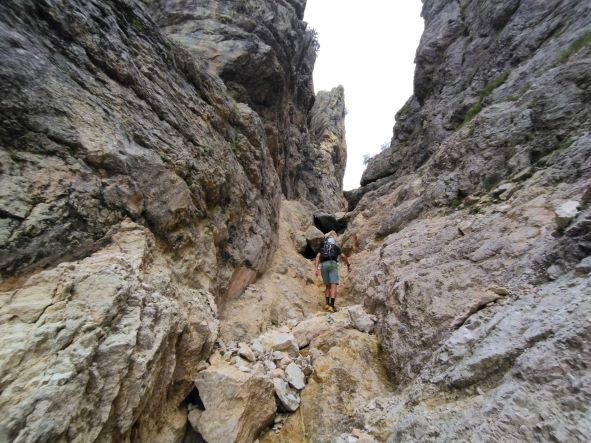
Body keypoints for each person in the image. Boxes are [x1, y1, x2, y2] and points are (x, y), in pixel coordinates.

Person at [314, 237, 351, 312]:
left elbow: (317, 257)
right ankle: (332, 306)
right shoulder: (335, 247)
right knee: (333, 285)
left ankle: (327, 304)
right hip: (332, 263)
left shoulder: (323, 247)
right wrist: (348, 265)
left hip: (323, 265)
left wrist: (316, 268)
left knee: (327, 286)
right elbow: (343, 256)